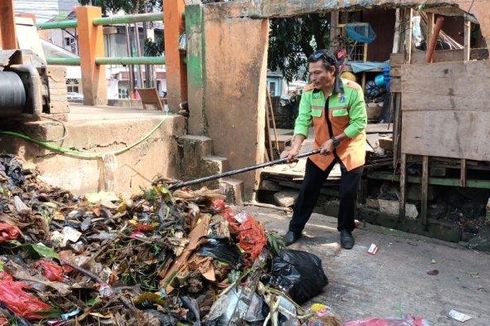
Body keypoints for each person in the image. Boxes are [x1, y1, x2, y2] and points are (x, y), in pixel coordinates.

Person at [281, 49, 367, 249]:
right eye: (311, 73)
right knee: (308, 187)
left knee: (347, 192)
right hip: (321, 147)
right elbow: (302, 121)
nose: (313, 77)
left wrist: (335, 141)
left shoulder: (352, 90)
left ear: (332, 71)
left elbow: (359, 123)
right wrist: (295, 147)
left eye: (318, 72)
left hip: (349, 146)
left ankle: (345, 230)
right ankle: (295, 228)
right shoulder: (309, 92)